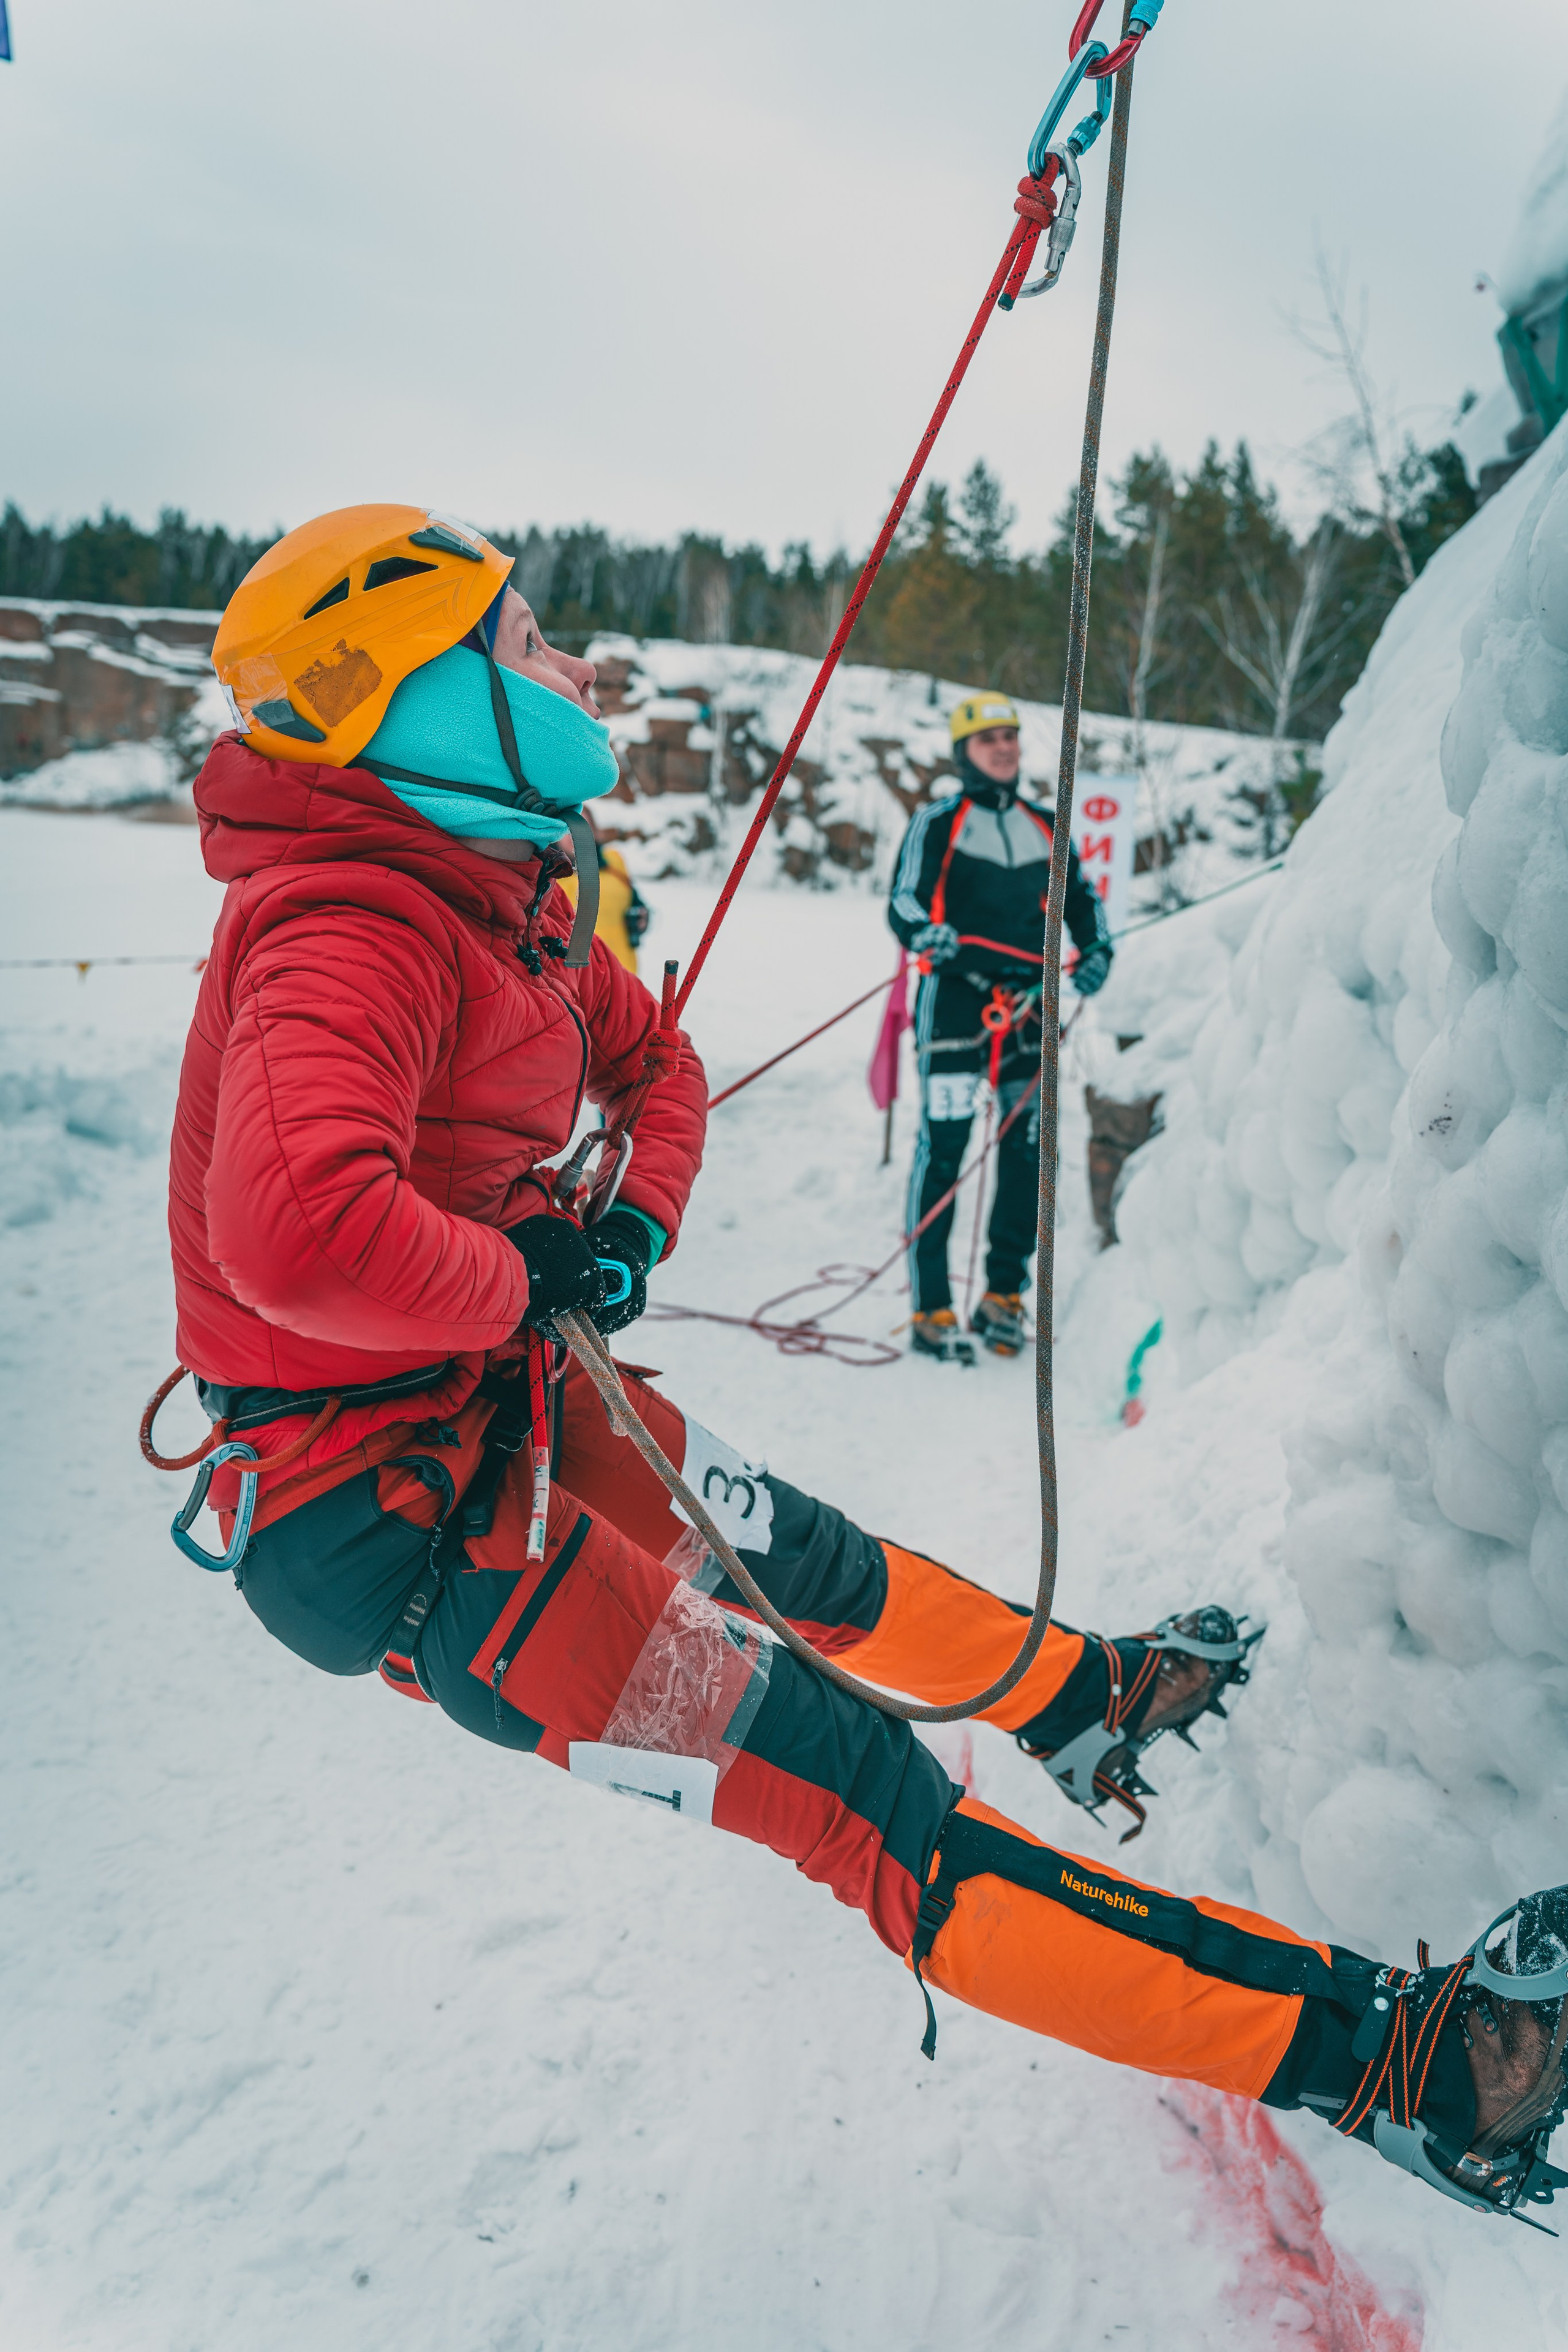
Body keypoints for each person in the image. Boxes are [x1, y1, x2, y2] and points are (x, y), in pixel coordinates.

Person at [162, 506, 1568, 2230]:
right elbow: (295, 1232)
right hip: (386, 1519)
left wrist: (620, 1240)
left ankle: (1081, 1702)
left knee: (802, 1556)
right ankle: (1411, 2067)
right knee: (873, 1806)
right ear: (418, 693)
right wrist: (517, 1272)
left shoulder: (499, 902)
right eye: (526, 641)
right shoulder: (349, 925)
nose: (570, 660)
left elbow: (659, 1066)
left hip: (487, 1407)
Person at [888, 693, 1114, 1363]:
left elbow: (1084, 904)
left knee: (1022, 1157)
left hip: (1028, 1016)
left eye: (1011, 736)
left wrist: (1097, 952)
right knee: (946, 1153)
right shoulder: (939, 821)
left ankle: (1002, 1298)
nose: (1005, 747)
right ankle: (932, 1306)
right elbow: (902, 899)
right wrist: (922, 930)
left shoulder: (1047, 824)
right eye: (989, 738)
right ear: (965, 752)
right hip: (956, 1010)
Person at [562, 826, 649, 972]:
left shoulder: (614, 861)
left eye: (584, 826)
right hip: (576, 975)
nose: (575, 834)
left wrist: (642, 917)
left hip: (623, 967)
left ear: (595, 832)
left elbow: (634, 900)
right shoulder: (548, 874)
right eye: (567, 829)